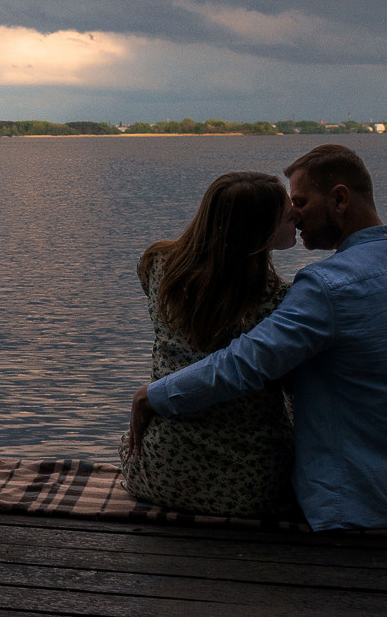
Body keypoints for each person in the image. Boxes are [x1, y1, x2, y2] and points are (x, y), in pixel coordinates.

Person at [128, 144, 387, 532]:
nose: (294, 216)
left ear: (340, 199)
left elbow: (243, 363)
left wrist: (154, 394)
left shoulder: (326, 287)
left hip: (370, 505)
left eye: (300, 202)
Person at [120, 171, 299, 518]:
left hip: (158, 470)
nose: (297, 216)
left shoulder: (159, 267)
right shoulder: (278, 302)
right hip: (251, 483)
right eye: (287, 215)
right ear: (258, 231)